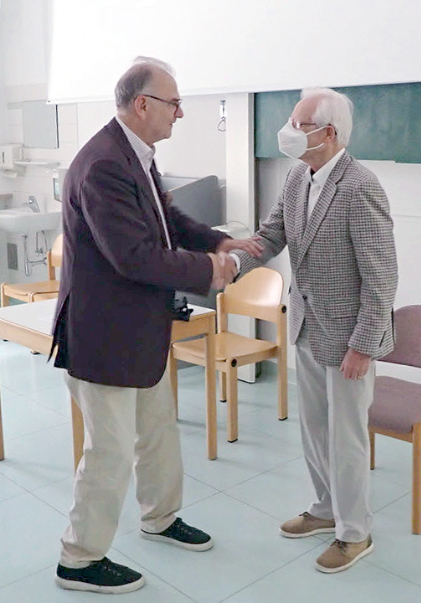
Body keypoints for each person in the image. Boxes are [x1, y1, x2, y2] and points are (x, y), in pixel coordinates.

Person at [51, 56, 262, 595]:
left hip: (140, 329)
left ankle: (160, 517)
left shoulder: (134, 155)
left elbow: (167, 220)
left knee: (158, 431)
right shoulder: (103, 164)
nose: (181, 114)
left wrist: (218, 241)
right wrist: (211, 270)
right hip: (104, 336)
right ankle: (79, 559)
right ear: (143, 104)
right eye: (175, 104)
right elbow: (134, 256)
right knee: (110, 450)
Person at [233, 88, 398, 573]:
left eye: (298, 124)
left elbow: (382, 277)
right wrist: (233, 263)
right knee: (314, 430)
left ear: (328, 133)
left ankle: (355, 533)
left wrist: (363, 346)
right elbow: (272, 233)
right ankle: (326, 509)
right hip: (306, 325)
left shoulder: (360, 186)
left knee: (346, 439)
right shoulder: (297, 176)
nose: (288, 131)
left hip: (349, 339)